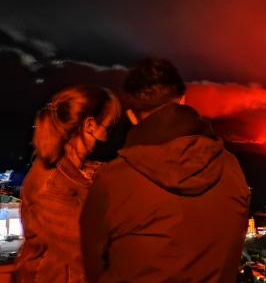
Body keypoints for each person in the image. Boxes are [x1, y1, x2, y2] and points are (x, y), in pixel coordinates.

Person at [80, 58, 251, 282]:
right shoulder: (230, 167)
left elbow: (93, 265)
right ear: (183, 100)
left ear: (131, 116)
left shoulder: (112, 180)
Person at [15, 85, 121, 283]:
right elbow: (85, 251)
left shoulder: (85, 172)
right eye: (107, 128)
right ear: (90, 125)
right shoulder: (51, 186)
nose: (107, 137)